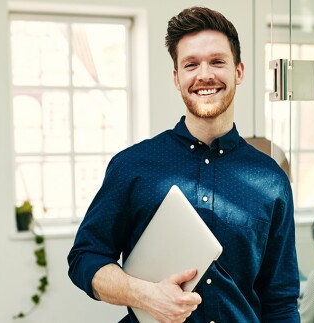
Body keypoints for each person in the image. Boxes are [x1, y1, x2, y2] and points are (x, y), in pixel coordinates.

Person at [67, 6, 299, 323]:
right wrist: (144, 294)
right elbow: (84, 258)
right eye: (191, 65)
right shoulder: (132, 166)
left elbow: (281, 300)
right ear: (177, 78)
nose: (204, 75)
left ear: (239, 71)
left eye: (217, 61)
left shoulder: (271, 180)